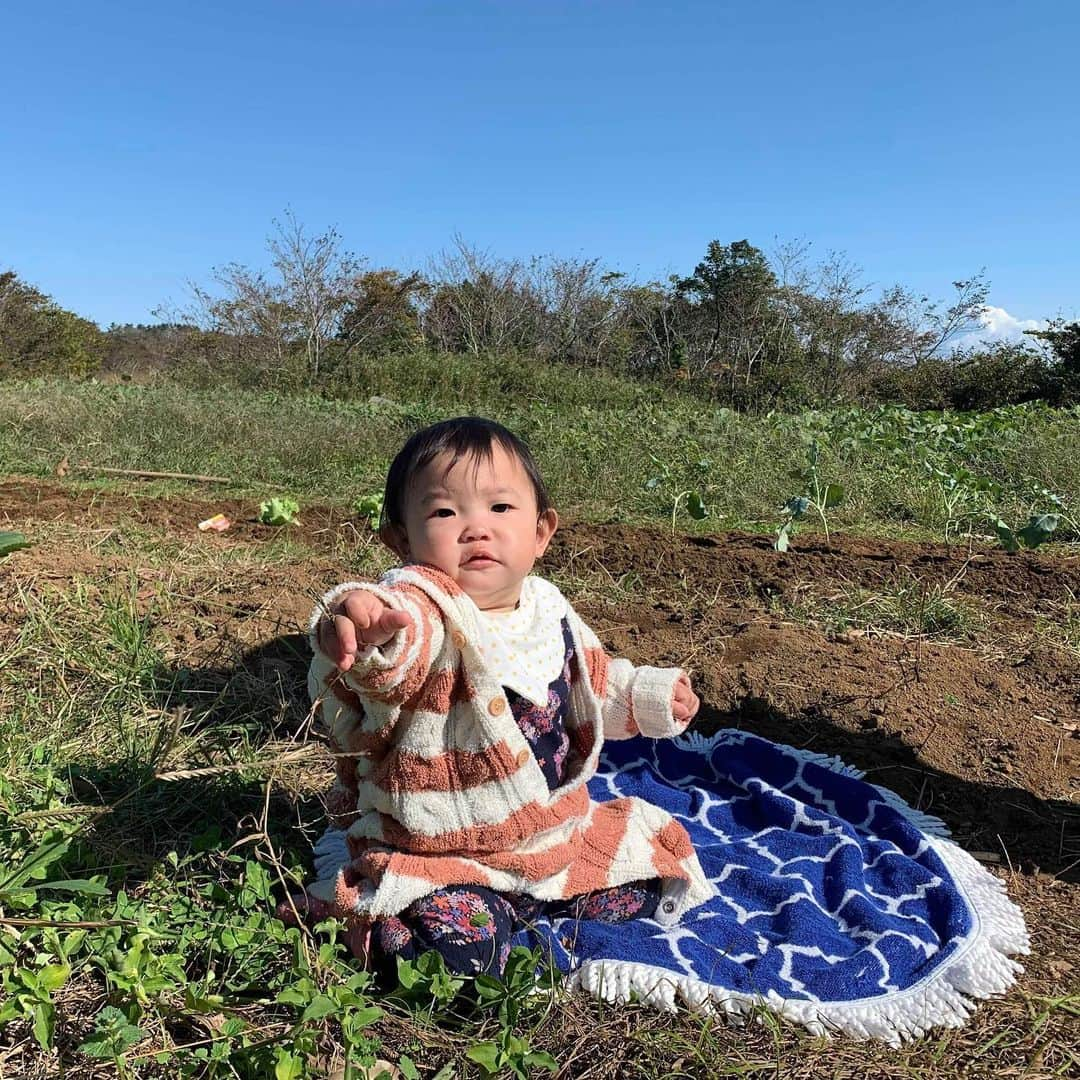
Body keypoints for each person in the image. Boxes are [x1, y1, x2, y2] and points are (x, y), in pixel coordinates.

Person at [289, 416, 714, 979]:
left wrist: (651, 696)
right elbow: (392, 655)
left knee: (657, 861)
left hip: (553, 835)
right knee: (458, 954)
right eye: (444, 512)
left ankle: (537, 900)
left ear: (541, 533)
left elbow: (593, 683)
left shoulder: (549, 607)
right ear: (401, 539)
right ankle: (412, 919)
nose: (475, 529)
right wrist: (365, 628)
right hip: (442, 850)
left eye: (500, 509)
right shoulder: (424, 607)